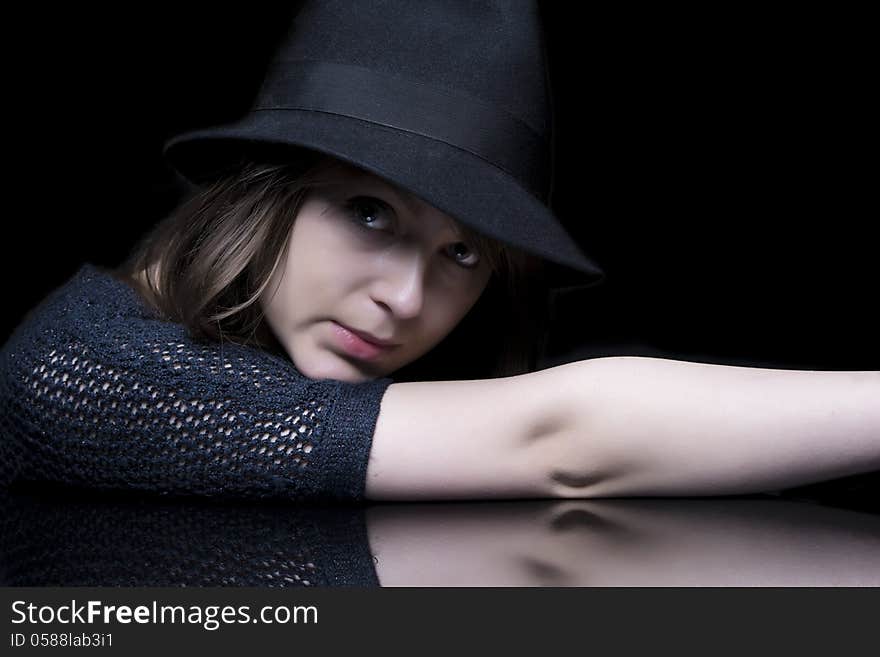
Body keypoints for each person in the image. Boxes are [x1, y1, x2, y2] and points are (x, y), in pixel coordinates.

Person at [1, 1, 877, 503]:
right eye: (371, 214)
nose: (408, 300)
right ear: (263, 190)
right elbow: (563, 437)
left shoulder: (240, 353)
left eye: (463, 254)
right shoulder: (87, 370)